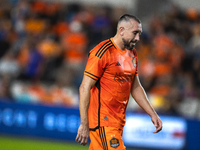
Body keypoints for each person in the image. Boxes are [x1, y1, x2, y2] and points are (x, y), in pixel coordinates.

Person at [76, 14, 162, 150]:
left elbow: (136, 87)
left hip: (117, 123)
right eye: (135, 33)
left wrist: (152, 113)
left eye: (139, 33)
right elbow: (84, 87)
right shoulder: (102, 52)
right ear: (121, 30)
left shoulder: (132, 54)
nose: (138, 38)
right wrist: (84, 124)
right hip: (103, 123)